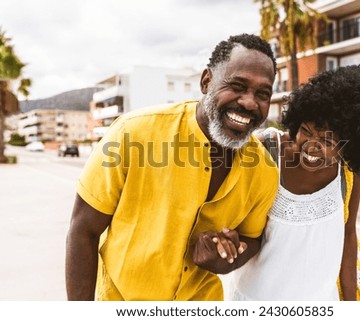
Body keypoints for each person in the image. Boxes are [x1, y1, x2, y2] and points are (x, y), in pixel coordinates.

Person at [65, 33, 279, 301]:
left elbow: (252, 239)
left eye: (262, 93)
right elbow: (83, 230)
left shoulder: (265, 171)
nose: (249, 102)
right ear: (206, 81)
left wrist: (227, 259)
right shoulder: (132, 133)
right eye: (237, 85)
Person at [227, 65, 360, 301]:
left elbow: (348, 235)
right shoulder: (265, 151)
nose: (311, 146)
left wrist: (351, 304)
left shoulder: (350, 170)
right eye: (305, 131)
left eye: (327, 140)